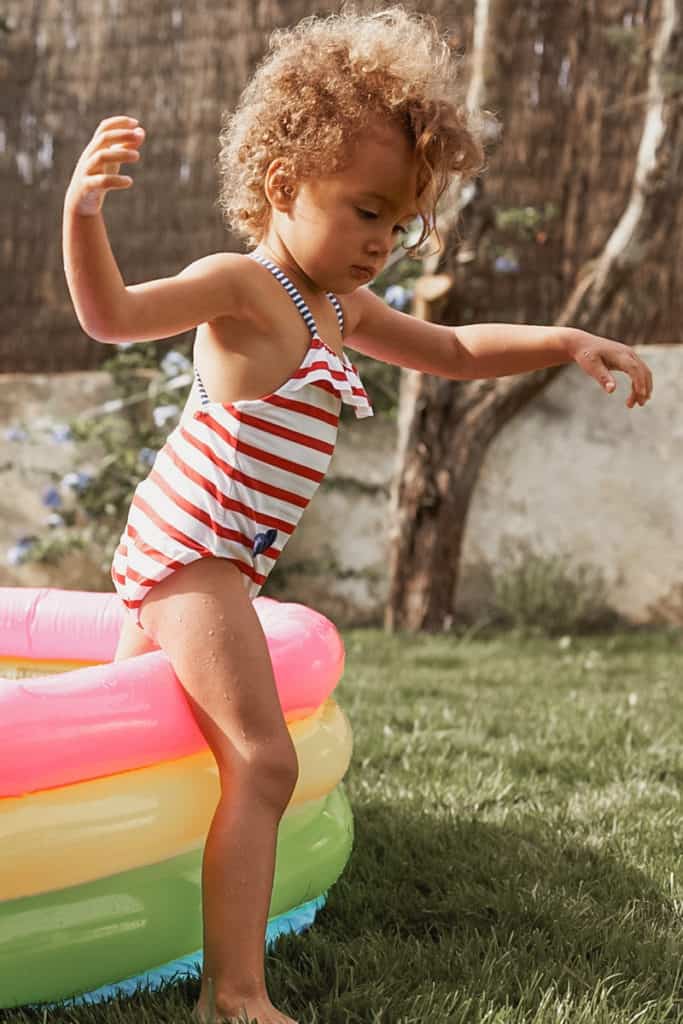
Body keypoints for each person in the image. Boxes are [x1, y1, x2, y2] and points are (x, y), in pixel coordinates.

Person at [62, 7, 653, 1022]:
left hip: (220, 563)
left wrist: (563, 339)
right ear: (283, 186)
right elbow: (112, 316)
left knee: (116, 751)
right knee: (264, 758)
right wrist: (82, 216)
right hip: (189, 556)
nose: (382, 241)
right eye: (364, 210)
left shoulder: (336, 308)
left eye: (400, 221)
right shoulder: (242, 286)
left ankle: (104, 915)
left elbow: (456, 351)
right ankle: (234, 994)